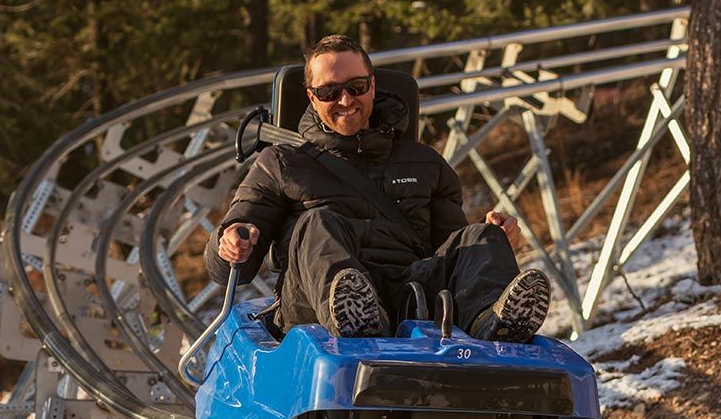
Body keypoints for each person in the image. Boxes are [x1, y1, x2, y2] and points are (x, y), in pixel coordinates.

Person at [204, 34, 550, 341]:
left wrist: (494, 243)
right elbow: (227, 270)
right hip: (314, 307)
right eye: (329, 92)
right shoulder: (281, 163)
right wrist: (230, 244)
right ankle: (354, 317)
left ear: (372, 85)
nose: (345, 100)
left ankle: (497, 324)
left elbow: (451, 249)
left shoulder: (426, 164)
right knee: (317, 222)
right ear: (312, 97)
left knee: (481, 235)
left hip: (409, 296)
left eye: (355, 86)